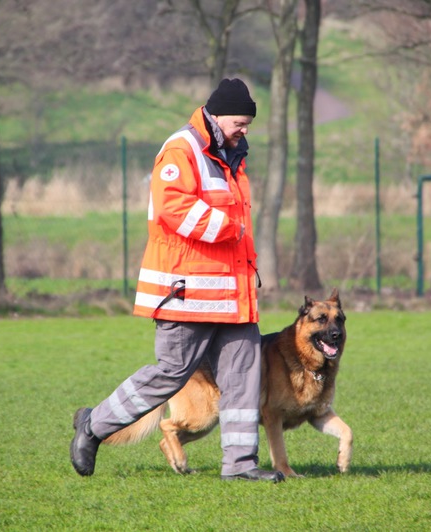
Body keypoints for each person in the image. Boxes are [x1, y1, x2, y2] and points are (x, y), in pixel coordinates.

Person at [70, 78, 284, 483]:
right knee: (171, 373)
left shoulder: (232, 155)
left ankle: (240, 466)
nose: (244, 130)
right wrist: (228, 227)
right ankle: (93, 425)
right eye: (239, 123)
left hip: (232, 294)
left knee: (243, 378)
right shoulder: (181, 149)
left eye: (248, 124)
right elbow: (174, 207)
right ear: (216, 116)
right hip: (187, 293)